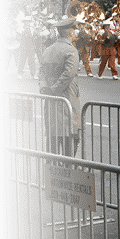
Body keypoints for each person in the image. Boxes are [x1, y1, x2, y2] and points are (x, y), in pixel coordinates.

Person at [38, 17, 81, 157]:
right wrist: (55, 89)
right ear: (69, 33)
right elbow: (69, 73)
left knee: (53, 138)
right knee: (70, 137)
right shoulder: (71, 50)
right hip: (67, 98)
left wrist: (46, 89)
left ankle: (53, 171)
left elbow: (41, 73)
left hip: (50, 100)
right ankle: (66, 172)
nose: (75, 34)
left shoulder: (48, 50)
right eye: (74, 31)